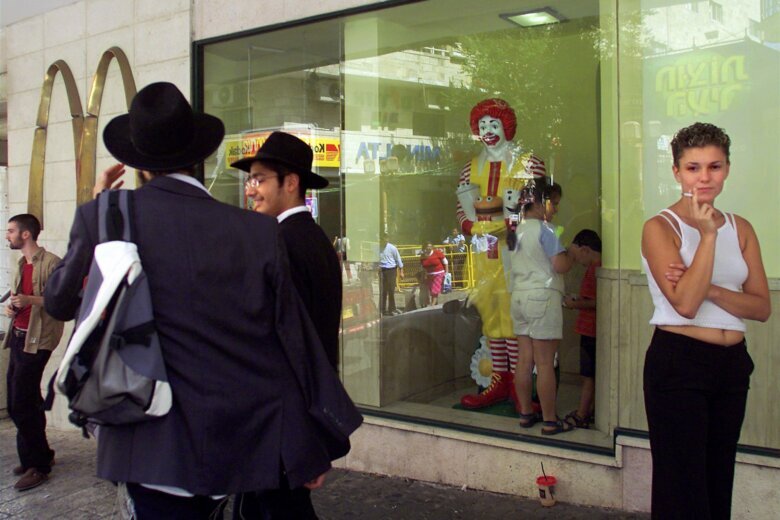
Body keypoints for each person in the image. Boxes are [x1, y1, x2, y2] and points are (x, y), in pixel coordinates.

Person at [43, 82, 362, 520]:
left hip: (146, 445)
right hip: (236, 441)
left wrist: (98, 211)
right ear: (199, 158)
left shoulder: (104, 215)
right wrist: (309, 444)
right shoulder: (257, 232)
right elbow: (291, 344)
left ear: (140, 165)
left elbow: (58, 302)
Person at [641, 122, 770, 519]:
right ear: (676, 171)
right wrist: (708, 236)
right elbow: (685, 303)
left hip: (732, 365)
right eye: (693, 167)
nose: (704, 177)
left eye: (714, 166)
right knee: (683, 489)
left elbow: (761, 307)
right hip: (679, 361)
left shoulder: (741, 227)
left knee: (718, 479)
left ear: (727, 169)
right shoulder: (660, 227)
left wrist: (711, 289)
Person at [456, 98, 546, 409]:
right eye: (482, 125)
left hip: (517, 252)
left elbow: (538, 205)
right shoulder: (470, 168)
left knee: (514, 318)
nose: (488, 131)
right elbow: (461, 209)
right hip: (484, 256)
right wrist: (472, 225)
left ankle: (520, 387)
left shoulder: (529, 163)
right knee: (491, 316)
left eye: (493, 124)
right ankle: (499, 380)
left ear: (506, 126)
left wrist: (508, 222)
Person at [232, 131, 342, 373]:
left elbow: (284, 336)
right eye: (249, 181)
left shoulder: (281, 242)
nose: (250, 191)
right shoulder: (316, 237)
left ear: (291, 183)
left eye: (259, 180)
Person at [508, 179, 575, 435]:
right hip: (542, 297)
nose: (556, 209)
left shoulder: (515, 231)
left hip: (519, 297)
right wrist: (572, 254)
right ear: (539, 203)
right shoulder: (546, 230)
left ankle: (526, 413)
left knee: (524, 361)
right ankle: (549, 420)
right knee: (545, 363)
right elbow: (560, 265)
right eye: (553, 203)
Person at [3, 214, 64, 491]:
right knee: (25, 399)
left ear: (25, 234)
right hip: (18, 336)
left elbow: (61, 301)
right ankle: (41, 454)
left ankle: (37, 465)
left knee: (20, 403)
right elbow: (20, 297)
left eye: (11, 231)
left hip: (39, 340)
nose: (7, 235)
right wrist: (12, 307)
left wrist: (30, 300)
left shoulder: (52, 263)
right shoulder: (20, 264)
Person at [562, 229, 602, 429]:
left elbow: (596, 302)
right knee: (591, 374)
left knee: (588, 376)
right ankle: (590, 410)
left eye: (576, 255)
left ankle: (582, 414)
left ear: (585, 250)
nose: (576, 261)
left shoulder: (596, 269)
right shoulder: (594, 268)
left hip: (591, 331)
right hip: (590, 330)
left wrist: (574, 304)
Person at [379, 234, 404, 315]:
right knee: (383, 291)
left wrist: (401, 271)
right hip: (382, 270)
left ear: (388, 239)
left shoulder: (392, 248)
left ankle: (391, 309)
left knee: (391, 290)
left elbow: (398, 259)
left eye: (386, 239)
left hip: (391, 270)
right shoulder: (378, 248)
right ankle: (382, 310)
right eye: (383, 239)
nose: (385, 241)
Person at [419, 241, 448, 306]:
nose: (429, 248)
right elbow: (422, 267)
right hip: (429, 275)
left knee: (434, 289)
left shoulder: (437, 253)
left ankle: (432, 304)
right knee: (431, 289)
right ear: (424, 248)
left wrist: (446, 272)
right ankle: (434, 303)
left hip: (439, 273)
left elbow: (445, 262)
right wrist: (423, 276)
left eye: (430, 246)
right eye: (427, 246)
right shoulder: (423, 256)